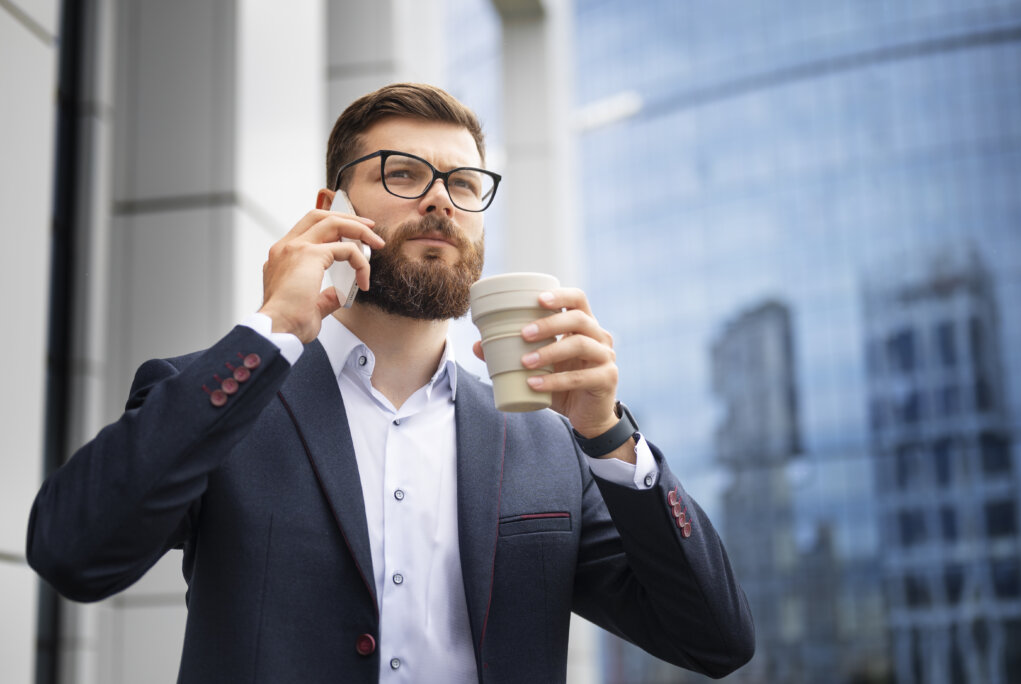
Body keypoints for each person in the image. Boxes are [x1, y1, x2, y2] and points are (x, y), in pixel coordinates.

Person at [27, 83, 754, 683]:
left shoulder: (550, 447)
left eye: (464, 183)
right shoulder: (220, 396)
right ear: (332, 207)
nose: (440, 200)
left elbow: (715, 641)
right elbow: (73, 553)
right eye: (403, 173)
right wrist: (273, 329)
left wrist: (611, 439)